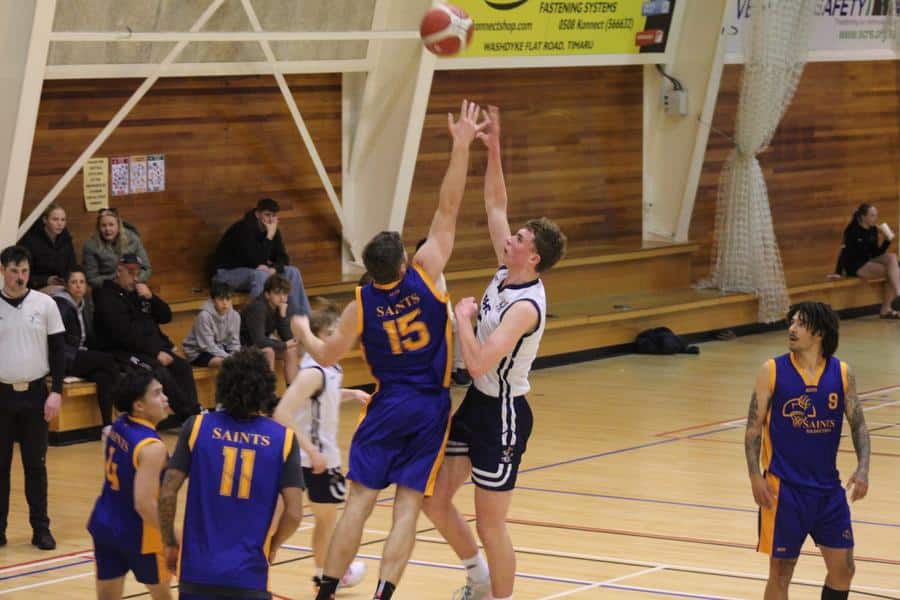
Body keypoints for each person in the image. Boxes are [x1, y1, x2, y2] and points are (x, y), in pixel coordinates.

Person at [291, 99, 486, 600]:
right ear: (404, 259)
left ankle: (327, 589)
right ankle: (383, 594)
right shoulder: (426, 273)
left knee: (358, 501)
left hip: (387, 404)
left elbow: (327, 354)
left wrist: (301, 332)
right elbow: (449, 206)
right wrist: (461, 145)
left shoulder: (360, 303)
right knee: (405, 506)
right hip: (429, 406)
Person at [422, 105, 567, 600]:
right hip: (479, 405)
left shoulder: (526, 306)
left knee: (491, 524)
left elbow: (482, 362)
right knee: (436, 500)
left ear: (534, 256)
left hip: (505, 412)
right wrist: (494, 147)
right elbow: (494, 205)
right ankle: (478, 578)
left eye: (520, 239)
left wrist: (460, 318)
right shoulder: (508, 271)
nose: (509, 238)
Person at [744, 301, 870, 600]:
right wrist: (754, 476)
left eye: (800, 323)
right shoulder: (771, 370)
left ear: (819, 333)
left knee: (844, 568)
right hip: (784, 490)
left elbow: (859, 425)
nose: (792, 328)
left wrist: (863, 467)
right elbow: (753, 429)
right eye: (792, 322)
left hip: (827, 490)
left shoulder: (841, 373)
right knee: (781, 572)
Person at [158, 348, 304, 600]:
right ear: (266, 388)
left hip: (197, 573)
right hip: (249, 575)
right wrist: (274, 544)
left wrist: (170, 541)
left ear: (223, 384)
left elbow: (167, 493)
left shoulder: (197, 427)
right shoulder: (284, 439)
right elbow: (294, 512)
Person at [272, 297, 369, 593]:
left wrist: (350, 394)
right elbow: (281, 414)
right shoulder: (313, 372)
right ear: (323, 336)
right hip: (309, 458)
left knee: (325, 522)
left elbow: (323, 398)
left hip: (321, 457)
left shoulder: (331, 369)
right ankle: (325, 576)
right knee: (315, 522)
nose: (342, 337)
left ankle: (324, 575)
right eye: (335, 331)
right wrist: (311, 451)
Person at [0, 245, 65, 550]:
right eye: (14, 271)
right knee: (1, 466)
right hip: (2, 396)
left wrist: (57, 392)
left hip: (37, 395)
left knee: (35, 466)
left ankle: (41, 529)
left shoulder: (45, 304)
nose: (20, 277)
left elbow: (58, 352)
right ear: (3, 271)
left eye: (24, 271)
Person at [87, 371, 173, 600]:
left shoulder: (119, 424)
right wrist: (171, 535)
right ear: (139, 405)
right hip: (139, 535)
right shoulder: (152, 447)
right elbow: (144, 505)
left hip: (105, 524)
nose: (165, 398)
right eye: (157, 394)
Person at [93, 253, 200, 427]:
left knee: (182, 367)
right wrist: (155, 352)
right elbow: (124, 334)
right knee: (158, 370)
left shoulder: (138, 294)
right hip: (120, 351)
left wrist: (152, 298)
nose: (135, 278)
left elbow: (166, 316)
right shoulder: (106, 296)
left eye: (138, 273)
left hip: (145, 349)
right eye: (131, 272)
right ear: (119, 271)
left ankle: (188, 418)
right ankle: (193, 414)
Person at [212, 197, 311, 317]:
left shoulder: (274, 230)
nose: (270, 219)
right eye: (267, 215)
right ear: (258, 214)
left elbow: (284, 258)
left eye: (273, 216)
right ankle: (257, 321)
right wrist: (269, 237)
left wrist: (274, 269)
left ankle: (301, 320)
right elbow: (255, 261)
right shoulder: (244, 228)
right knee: (260, 275)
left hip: (251, 272)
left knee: (292, 272)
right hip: (225, 274)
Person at [53, 266, 121, 426]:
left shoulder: (85, 305)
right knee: (108, 361)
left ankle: (107, 426)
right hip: (67, 357)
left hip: (81, 355)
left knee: (103, 377)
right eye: (74, 282)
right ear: (67, 286)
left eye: (82, 282)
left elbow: (89, 337)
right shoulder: (61, 305)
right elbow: (57, 342)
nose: (78, 285)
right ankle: (123, 404)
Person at [415, 237, 470, 387]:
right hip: (420, 322)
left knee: (460, 323)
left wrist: (451, 318)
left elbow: (445, 304)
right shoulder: (414, 277)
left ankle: (457, 368)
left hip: (440, 318)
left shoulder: (439, 275)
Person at [832, 203, 900, 318]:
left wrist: (887, 240)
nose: (875, 218)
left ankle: (898, 294)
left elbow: (876, 253)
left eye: (876, 215)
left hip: (869, 260)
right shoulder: (852, 230)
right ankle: (886, 309)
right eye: (872, 215)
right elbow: (843, 252)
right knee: (892, 272)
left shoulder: (873, 229)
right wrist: (838, 272)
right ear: (863, 217)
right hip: (855, 265)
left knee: (892, 258)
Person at [240, 273, 300, 384]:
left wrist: (282, 316)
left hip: (258, 344)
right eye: (278, 294)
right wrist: (284, 345)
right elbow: (259, 341)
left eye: (285, 294)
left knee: (291, 350)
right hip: (244, 346)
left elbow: (287, 337)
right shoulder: (258, 308)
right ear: (267, 294)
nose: (282, 298)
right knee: (269, 352)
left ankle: (292, 393)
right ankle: (268, 395)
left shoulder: (279, 306)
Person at [83, 208, 152, 289]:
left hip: (134, 284)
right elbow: (92, 279)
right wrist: (119, 280)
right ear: (98, 228)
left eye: (111, 224)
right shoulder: (90, 246)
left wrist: (135, 280)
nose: (107, 229)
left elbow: (146, 268)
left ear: (119, 226)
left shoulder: (133, 239)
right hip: (107, 288)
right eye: (103, 225)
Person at [19, 202, 77, 295]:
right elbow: (22, 273)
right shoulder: (30, 241)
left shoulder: (66, 240)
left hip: (62, 287)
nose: (60, 223)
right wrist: (46, 280)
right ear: (45, 220)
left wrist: (66, 280)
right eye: (55, 219)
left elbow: (72, 267)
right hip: (36, 288)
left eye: (63, 220)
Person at [182, 280, 241, 368]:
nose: (225, 303)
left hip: (219, 348)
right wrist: (229, 357)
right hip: (198, 351)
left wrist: (235, 355)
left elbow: (235, 343)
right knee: (226, 363)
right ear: (213, 300)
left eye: (228, 299)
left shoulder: (235, 316)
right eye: (220, 299)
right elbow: (207, 346)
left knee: (241, 361)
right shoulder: (204, 316)